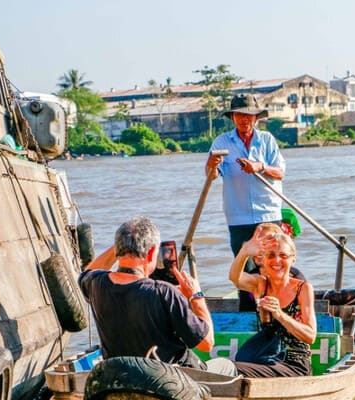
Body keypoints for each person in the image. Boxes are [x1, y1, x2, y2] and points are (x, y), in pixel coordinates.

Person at [78, 216, 213, 369]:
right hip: (171, 378)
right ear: (151, 252)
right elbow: (206, 343)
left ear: (117, 249)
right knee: (226, 366)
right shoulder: (164, 292)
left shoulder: (95, 283)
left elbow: (88, 272)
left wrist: (122, 244)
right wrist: (196, 296)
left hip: (121, 375)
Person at [205, 93, 286, 310]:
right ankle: (249, 314)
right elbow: (212, 175)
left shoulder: (266, 140)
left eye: (249, 115)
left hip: (268, 214)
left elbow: (280, 172)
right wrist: (211, 164)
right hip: (238, 216)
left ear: (256, 118)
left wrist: (259, 167)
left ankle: (278, 311)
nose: (244, 120)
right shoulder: (222, 142)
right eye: (240, 115)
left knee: (274, 265)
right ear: (233, 117)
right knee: (244, 271)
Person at [229, 233, 316, 378]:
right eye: (270, 255)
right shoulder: (261, 284)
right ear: (262, 260)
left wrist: (280, 314)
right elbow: (235, 278)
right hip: (264, 358)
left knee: (235, 369)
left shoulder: (303, 288)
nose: (277, 260)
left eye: (283, 255)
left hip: (294, 364)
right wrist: (244, 252)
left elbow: (310, 336)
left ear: (293, 258)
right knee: (231, 366)